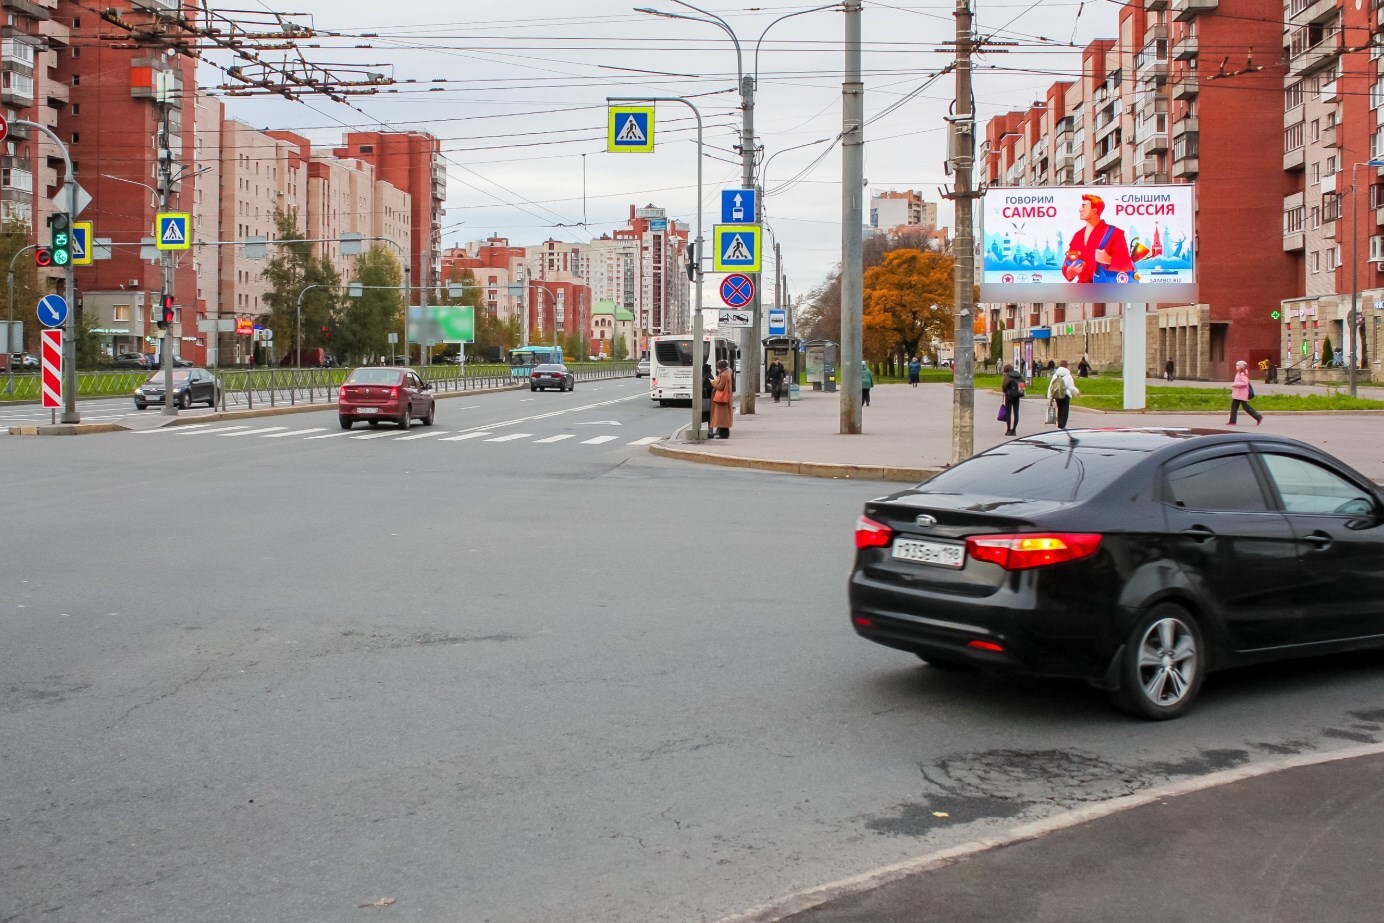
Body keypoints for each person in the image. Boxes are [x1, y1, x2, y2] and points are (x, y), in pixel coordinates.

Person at [1062, 193, 1136, 284]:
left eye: (1084, 206)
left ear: (1094, 210)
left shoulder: (1114, 233)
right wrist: (1069, 272)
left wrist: (1109, 259)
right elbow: (1067, 263)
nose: (1080, 209)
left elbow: (1127, 264)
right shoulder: (1078, 236)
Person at [1046, 359, 1080, 429]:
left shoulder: (1055, 375)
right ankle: (1062, 425)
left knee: (1060, 409)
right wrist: (1077, 392)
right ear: (1067, 366)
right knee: (1065, 411)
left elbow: (1051, 386)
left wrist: (1050, 396)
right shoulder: (1068, 376)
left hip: (1057, 394)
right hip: (1065, 395)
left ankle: (1059, 424)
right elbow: (1071, 387)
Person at [1228, 359, 1263, 425]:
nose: (1236, 366)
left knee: (1245, 406)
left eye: (1237, 365)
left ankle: (1258, 417)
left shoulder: (1242, 373)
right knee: (1234, 406)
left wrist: (1235, 384)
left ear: (1241, 366)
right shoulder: (1239, 373)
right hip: (1238, 393)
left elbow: (1245, 383)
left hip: (1241, 394)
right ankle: (1232, 421)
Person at [709, 359, 734, 439]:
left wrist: (713, 382)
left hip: (722, 399)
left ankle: (724, 434)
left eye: (717, 367)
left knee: (722, 417)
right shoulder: (727, 373)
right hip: (725, 398)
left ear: (720, 367)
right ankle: (723, 433)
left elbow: (720, 387)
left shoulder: (723, 375)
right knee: (723, 416)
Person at [1001, 362, 1025, 436]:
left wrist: (1006, 391)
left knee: (1008, 413)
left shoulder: (1007, 377)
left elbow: (1004, 387)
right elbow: (1022, 385)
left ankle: (1008, 430)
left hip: (1009, 396)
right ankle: (1014, 430)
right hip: (1017, 396)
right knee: (1016, 413)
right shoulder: (1019, 376)